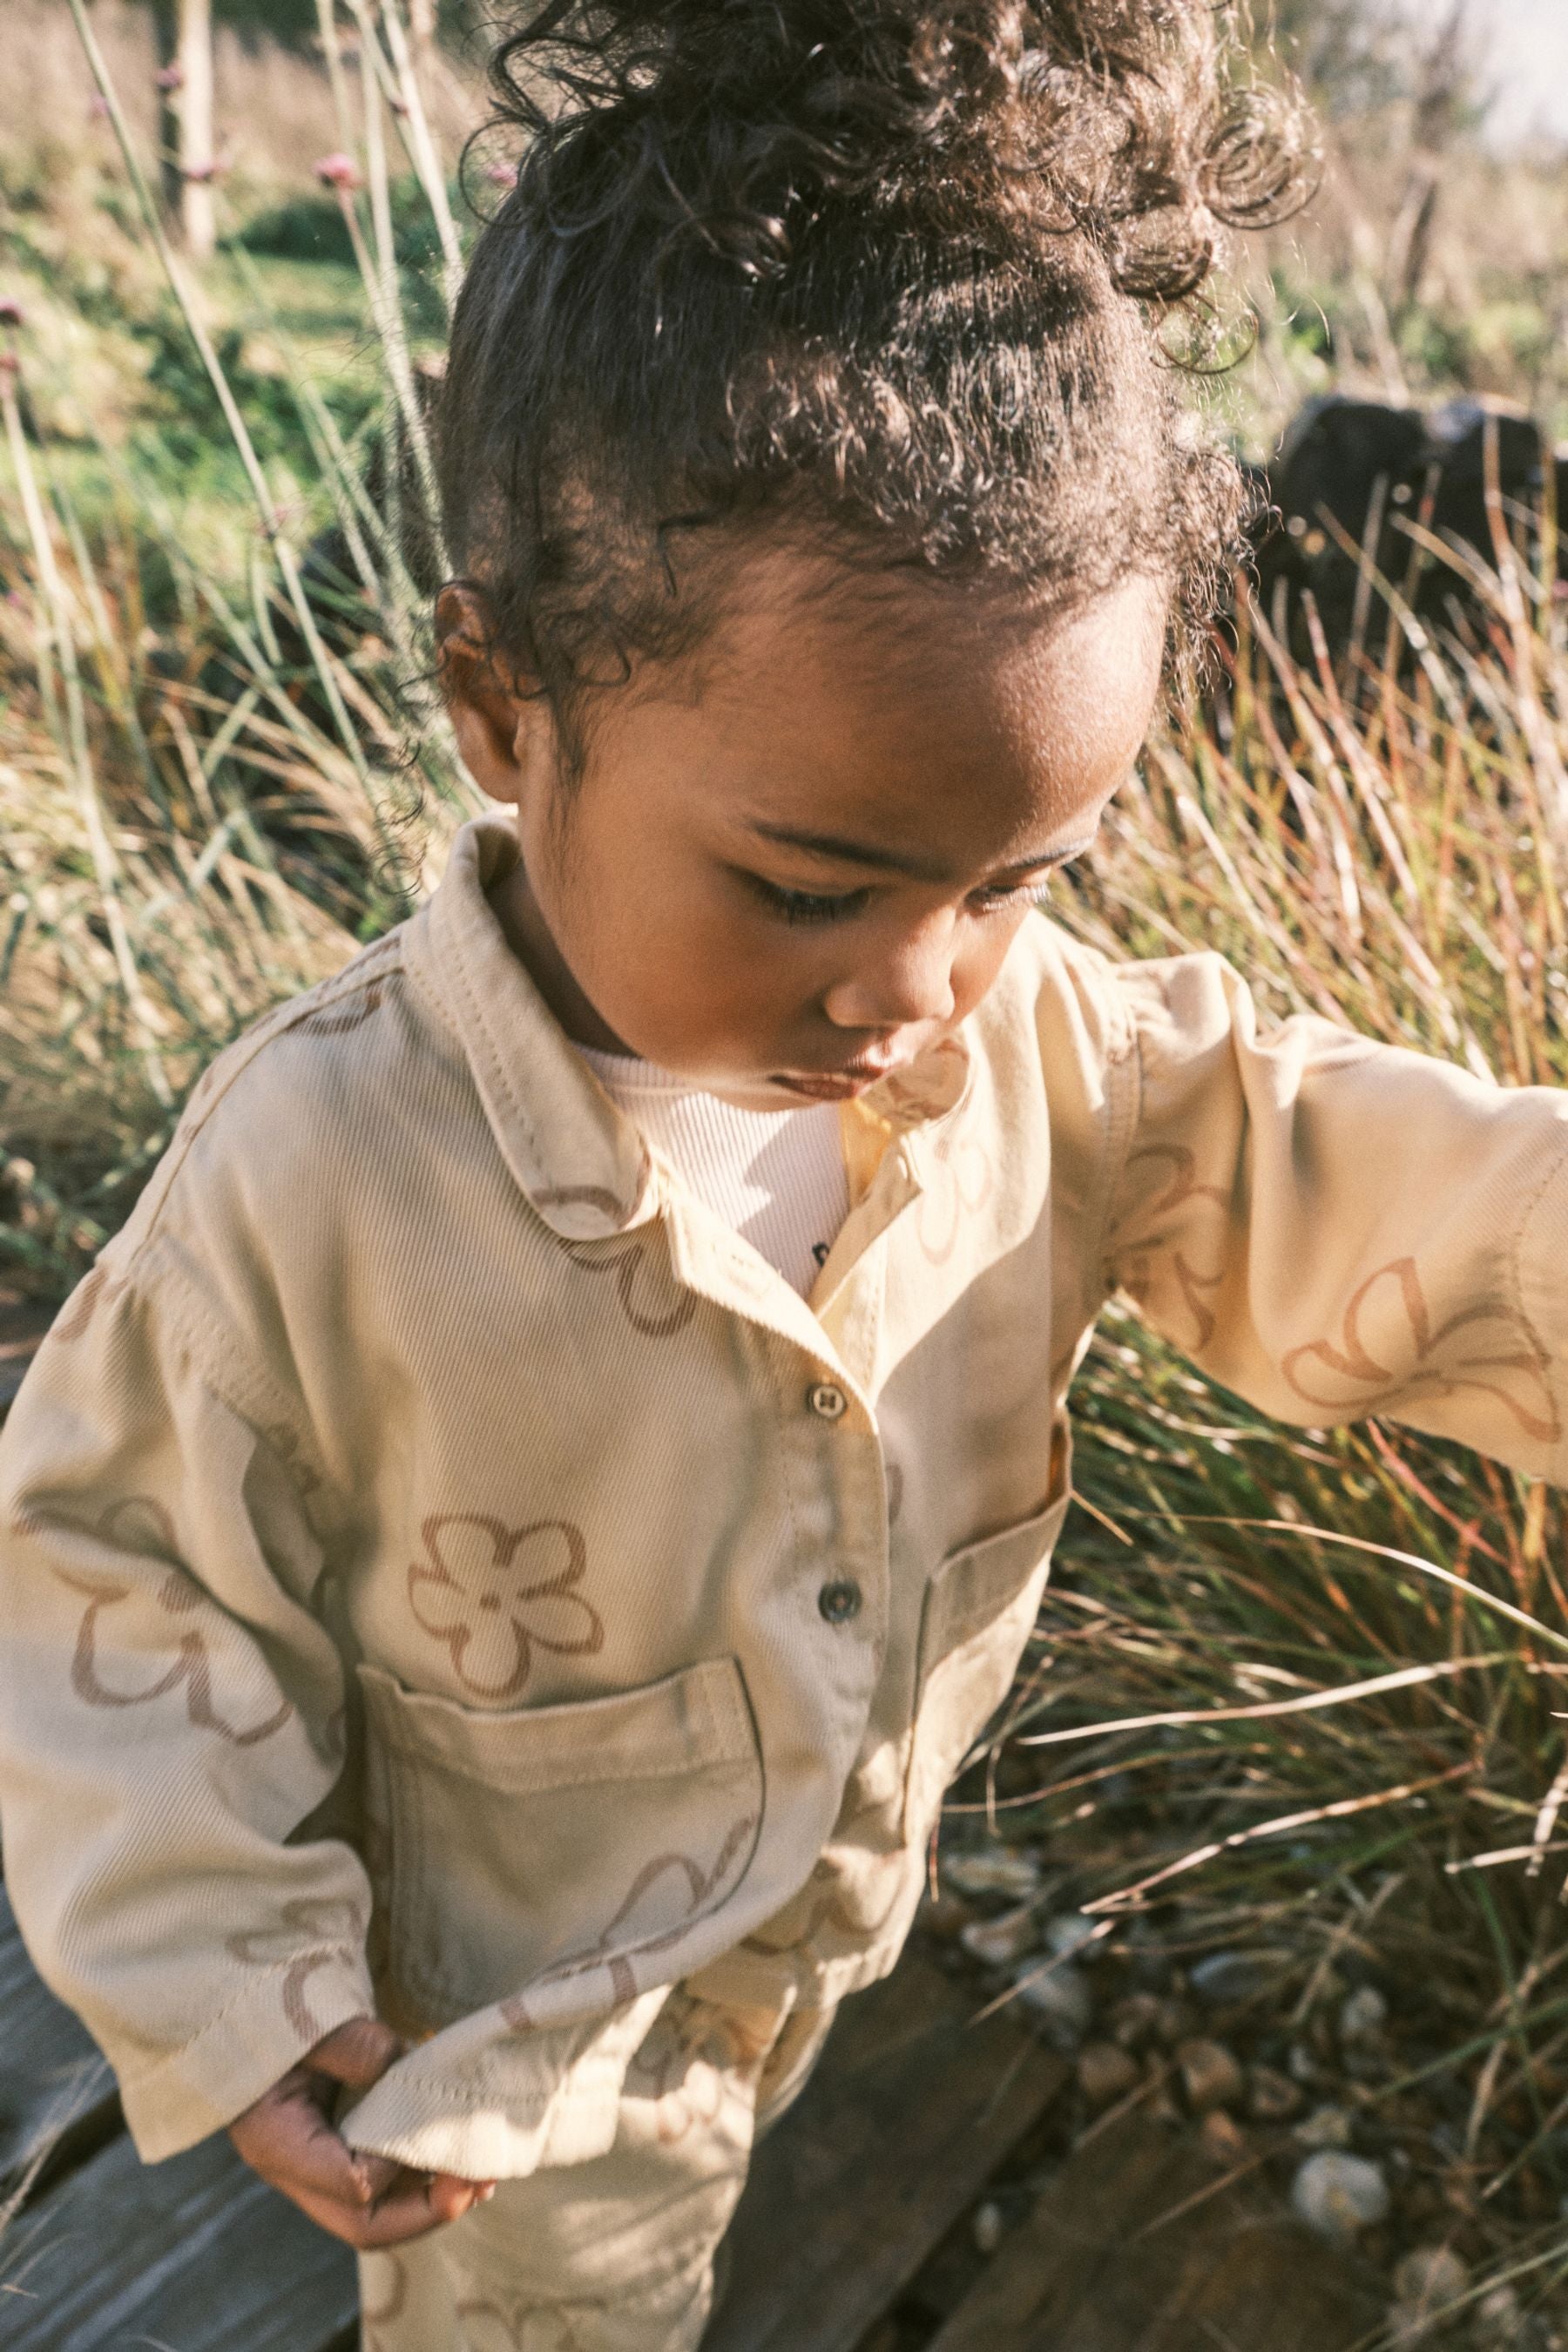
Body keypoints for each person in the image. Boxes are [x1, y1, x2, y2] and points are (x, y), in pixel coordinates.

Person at [1, 3, 1564, 2347]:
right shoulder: (321, 1171)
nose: (922, 981)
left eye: (1021, 871)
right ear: (505, 706)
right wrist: (228, 1973)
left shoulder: (1048, 1060)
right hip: (515, 2026)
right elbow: (103, 1572)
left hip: (814, 1910)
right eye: (814, 886)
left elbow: (1361, 1183)